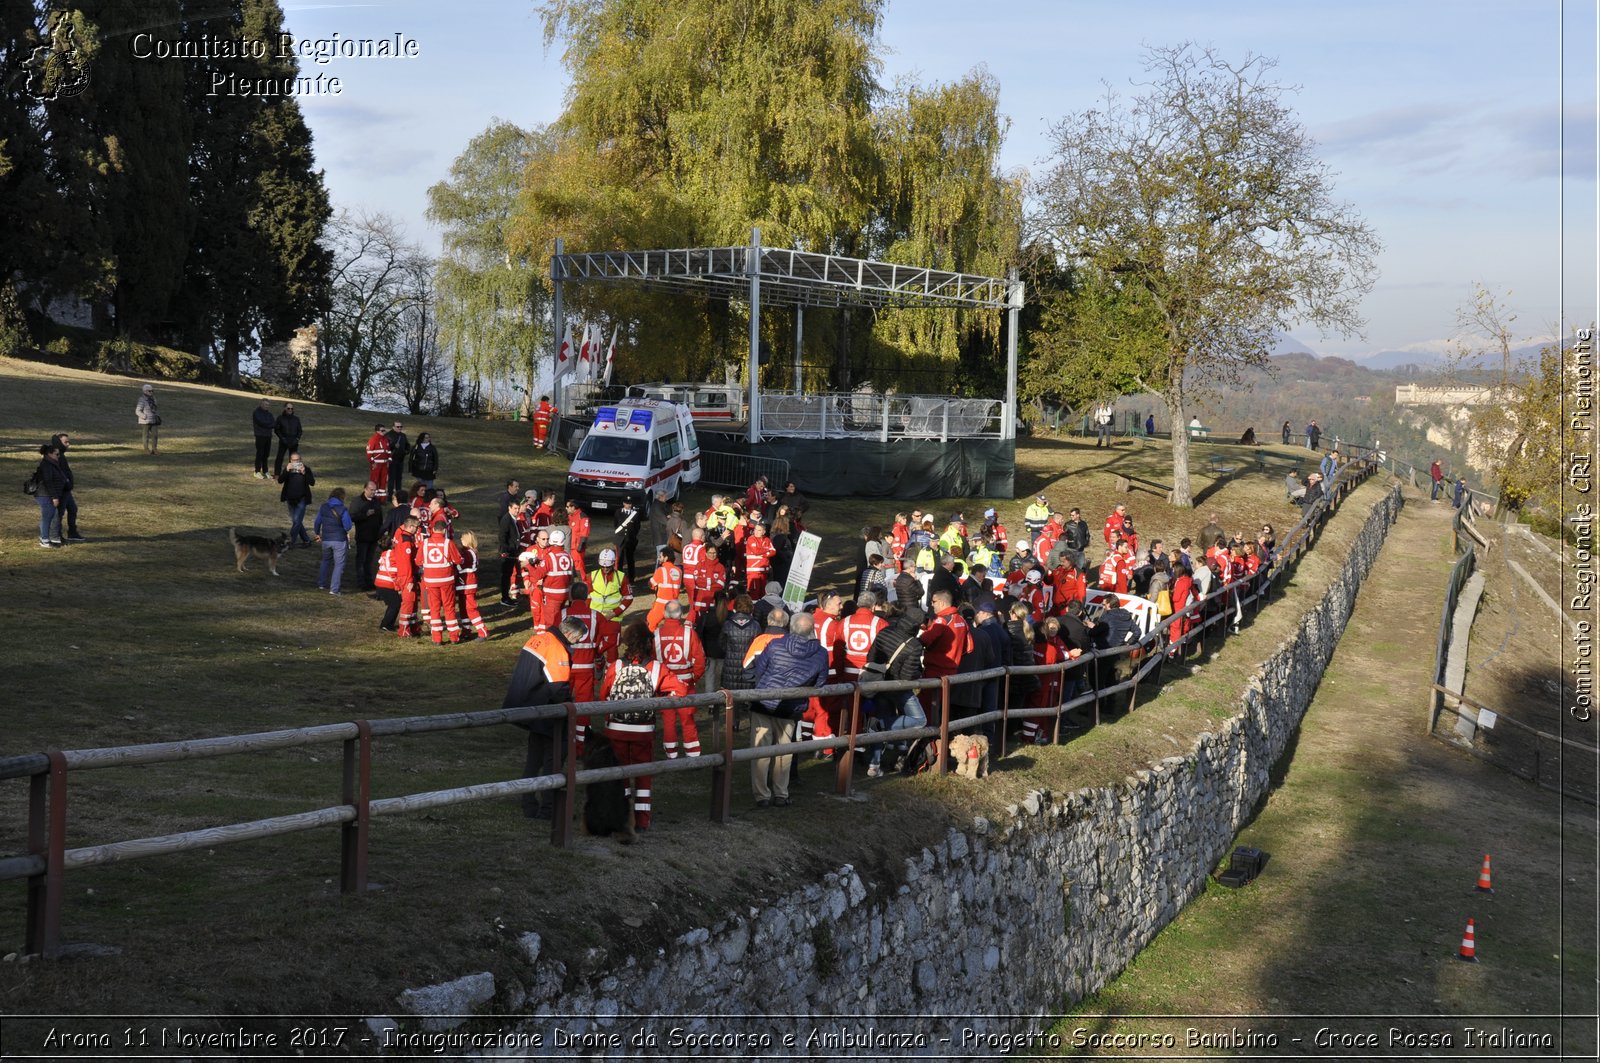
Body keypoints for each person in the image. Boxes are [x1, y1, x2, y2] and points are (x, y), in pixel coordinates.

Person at [599, 621, 688, 831]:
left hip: (615, 730)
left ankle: (621, 815)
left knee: (619, 774)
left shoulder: (616, 666)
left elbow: (603, 695)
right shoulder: (656, 668)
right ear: (649, 643)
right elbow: (681, 690)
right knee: (643, 777)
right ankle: (642, 820)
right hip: (643, 731)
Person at [749, 612, 830, 809]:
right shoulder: (820, 653)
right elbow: (820, 683)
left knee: (761, 750)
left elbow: (759, 669)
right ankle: (781, 793)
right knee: (784, 751)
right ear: (812, 630)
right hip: (790, 707)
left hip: (763, 702)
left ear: (791, 627)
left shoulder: (776, 644)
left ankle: (761, 795)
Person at [504, 616, 580, 820]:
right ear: (570, 634)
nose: (578, 643)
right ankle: (549, 808)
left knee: (533, 760)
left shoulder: (538, 638)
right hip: (547, 712)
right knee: (554, 759)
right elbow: (559, 688)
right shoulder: (558, 649)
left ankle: (528, 805)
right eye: (578, 639)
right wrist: (568, 707)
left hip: (528, 706)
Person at [654, 601, 706, 757]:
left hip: (665, 685)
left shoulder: (657, 634)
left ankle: (671, 753)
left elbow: (653, 661)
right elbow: (700, 660)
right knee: (688, 719)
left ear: (664, 613)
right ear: (681, 614)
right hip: (686, 684)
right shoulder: (689, 633)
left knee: (668, 720)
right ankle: (693, 753)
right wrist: (694, 678)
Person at [313, 487, 354, 595]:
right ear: (342, 497)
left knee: (325, 561)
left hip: (326, 539)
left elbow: (317, 522)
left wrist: (317, 533)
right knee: (338, 564)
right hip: (339, 540)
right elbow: (348, 526)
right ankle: (334, 589)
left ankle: (321, 584)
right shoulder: (343, 509)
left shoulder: (323, 507)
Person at [46, 432, 85, 542]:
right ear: (59, 442)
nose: (68, 444)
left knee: (73, 509)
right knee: (59, 513)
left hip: (66, 489)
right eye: (66, 442)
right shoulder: (56, 455)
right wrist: (66, 482)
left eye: (68, 442)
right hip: (61, 489)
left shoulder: (61, 454)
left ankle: (72, 532)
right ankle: (56, 536)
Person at [32, 443, 71, 548]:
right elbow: (48, 482)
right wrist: (54, 497)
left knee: (50, 516)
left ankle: (45, 538)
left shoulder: (52, 463)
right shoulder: (47, 465)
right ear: (49, 454)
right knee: (48, 517)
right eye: (56, 454)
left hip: (47, 494)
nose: (58, 456)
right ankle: (44, 540)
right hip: (45, 495)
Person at [347, 481, 384, 590]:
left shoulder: (376, 502)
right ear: (365, 489)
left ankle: (369, 581)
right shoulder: (357, 501)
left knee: (369, 561)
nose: (373, 492)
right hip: (363, 537)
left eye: (375, 490)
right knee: (361, 560)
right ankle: (361, 582)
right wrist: (365, 515)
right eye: (371, 490)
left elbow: (380, 518)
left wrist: (380, 532)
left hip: (374, 536)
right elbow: (352, 517)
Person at [455, 530, 491, 640]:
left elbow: (461, 566)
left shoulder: (469, 553)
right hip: (463, 585)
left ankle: (483, 631)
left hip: (467, 585)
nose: (460, 541)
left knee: (470, 608)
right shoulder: (469, 552)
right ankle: (466, 630)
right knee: (463, 609)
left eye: (462, 539)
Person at [277, 451, 316, 548]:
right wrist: (286, 470)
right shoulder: (288, 469)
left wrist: (304, 473)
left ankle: (291, 542)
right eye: (294, 460)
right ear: (290, 461)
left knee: (297, 521)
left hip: (301, 499)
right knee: (296, 521)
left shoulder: (306, 469)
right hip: (290, 499)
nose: (296, 462)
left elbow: (312, 483)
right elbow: (280, 480)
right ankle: (306, 540)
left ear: (301, 460)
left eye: (298, 460)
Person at [613, 497, 643, 581]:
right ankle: (619, 577)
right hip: (620, 539)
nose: (628, 505)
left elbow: (637, 527)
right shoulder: (618, 512)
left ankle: (631, 577)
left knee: (630, 559)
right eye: (627, 503)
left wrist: (632, 535)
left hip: (630, 539)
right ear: (623, 503)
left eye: (630, 503)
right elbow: (615, 524)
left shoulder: (635, 514)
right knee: (619, 559)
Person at [272, 403, 302, 477]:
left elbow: (300, 430)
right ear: (285, 409)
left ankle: (293, 474)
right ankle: (277, 474)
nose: (290, 410)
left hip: (294, 441)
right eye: (288, 408)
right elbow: (276, 429)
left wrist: (297, 439)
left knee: (294, 458)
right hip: (284, 440)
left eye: (292, 408)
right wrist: (282, 438)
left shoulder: (296, 419)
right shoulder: (280, 418)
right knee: (279, 457)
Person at [364, 423, 391, 501]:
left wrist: (389, 460)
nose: (384, 432)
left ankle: (382, 499)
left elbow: (388, 451)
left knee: (383, 482)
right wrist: (373, 463)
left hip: (385, 464)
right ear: (377, 431)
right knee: (374, 481)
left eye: (384, 430)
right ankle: (373, 498)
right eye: (382, 430)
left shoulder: (385, 439)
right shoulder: (373, 439)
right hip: (377, 464)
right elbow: (369, 452)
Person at [251, 400, 274, 479]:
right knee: (260, 454)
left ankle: (265, 471)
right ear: (261, 404)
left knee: (266, 454)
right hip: (260, 435)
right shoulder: (256, 412)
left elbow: (273, 423)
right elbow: (261, 423)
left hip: (268, 436)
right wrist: (269, 425)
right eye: (265, 404)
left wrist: (269, 425)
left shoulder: (269, 414)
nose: (266, 406)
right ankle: (257, 471)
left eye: (268, 405)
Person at [135, 383, 160, 454]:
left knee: (155, 435)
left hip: (154, 419)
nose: (151, 392)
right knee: (146, 435)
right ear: (145, 391)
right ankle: (146, 449)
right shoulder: (142, 399)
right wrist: (144, 416)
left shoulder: (154, 399)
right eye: (149, 391)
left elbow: (155, 409)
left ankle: (154, 449)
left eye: (152, 391)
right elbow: (137, 411)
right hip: (145, 421)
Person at [386, 421, 411, 485]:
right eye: (398, 427)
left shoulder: (403, 435)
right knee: (391, 478)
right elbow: (385, 447)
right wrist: (393, 445)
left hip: (400, 459)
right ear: (393, 427)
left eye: (401, 427)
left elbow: (407, 445)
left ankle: (399, 493)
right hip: (392, 459)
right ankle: (390, 493)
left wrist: (405, 452)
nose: (400, 428)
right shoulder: (388, 435)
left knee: (399, 478)